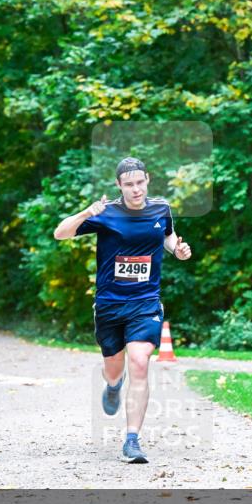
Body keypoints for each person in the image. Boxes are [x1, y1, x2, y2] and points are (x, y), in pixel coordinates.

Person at [53, 157, 192, 464]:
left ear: (148, 179)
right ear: (119, 185)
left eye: (140, 182)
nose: (136, 189)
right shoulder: (107, 213)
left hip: (145, 303)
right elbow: (60, 233)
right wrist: (88, 212)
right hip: (109, 305)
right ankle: (113, 386)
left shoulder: (161, 209)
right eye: (128, 184)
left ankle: (132, 440)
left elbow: (167, 237)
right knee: (114, 368)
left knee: (140, 362)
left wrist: (178, 250)